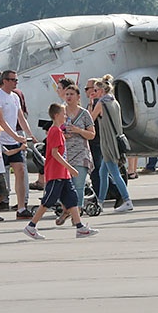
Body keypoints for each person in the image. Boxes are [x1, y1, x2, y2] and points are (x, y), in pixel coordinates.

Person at [23, 103, 99, 239]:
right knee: (48, 201)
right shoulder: (55, 131)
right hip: (56, 173)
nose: (66, 116)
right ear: (57, 115)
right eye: (63, 114)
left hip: (63, 174)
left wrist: (68, 170)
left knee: (72, 199)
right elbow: (55, 153)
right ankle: (31, 226)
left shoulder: (58, 131)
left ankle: (80, 227)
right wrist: (70, 168)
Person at [0, 70, 35, 219]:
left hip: (13, 142)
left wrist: (29, 134)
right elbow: (0, 120)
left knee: (20, 171)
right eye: (13, 80)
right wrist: (14, 135)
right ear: (5, 81)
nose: (15, 82)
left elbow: (20, 117)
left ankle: (21, 208)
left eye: (16, 80)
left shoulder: (15, 97)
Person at [91, 75, 134, 213]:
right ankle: (100, 202)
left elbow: (90, 119)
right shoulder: (114, 102)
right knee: (103, 173)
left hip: (108, 142)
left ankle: (127, 200)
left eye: (96, 90)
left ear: (102, 91)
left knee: (114, 173)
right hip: (115, 140)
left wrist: (91, 103)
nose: (94, 93)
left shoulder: (101, 103)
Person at [58, 84, 95, 215]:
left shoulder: (84, 114)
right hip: (64, 154)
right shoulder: (61, 112)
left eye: (72, 94)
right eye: (67, 94)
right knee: (65, 185)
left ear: (78, 97)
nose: (69, 97)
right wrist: (62, 134)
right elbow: (54, 130)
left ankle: (77, 212)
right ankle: (66, 210)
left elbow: (92, 134)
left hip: (81, 153)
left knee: (78, 184)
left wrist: (79, 131)